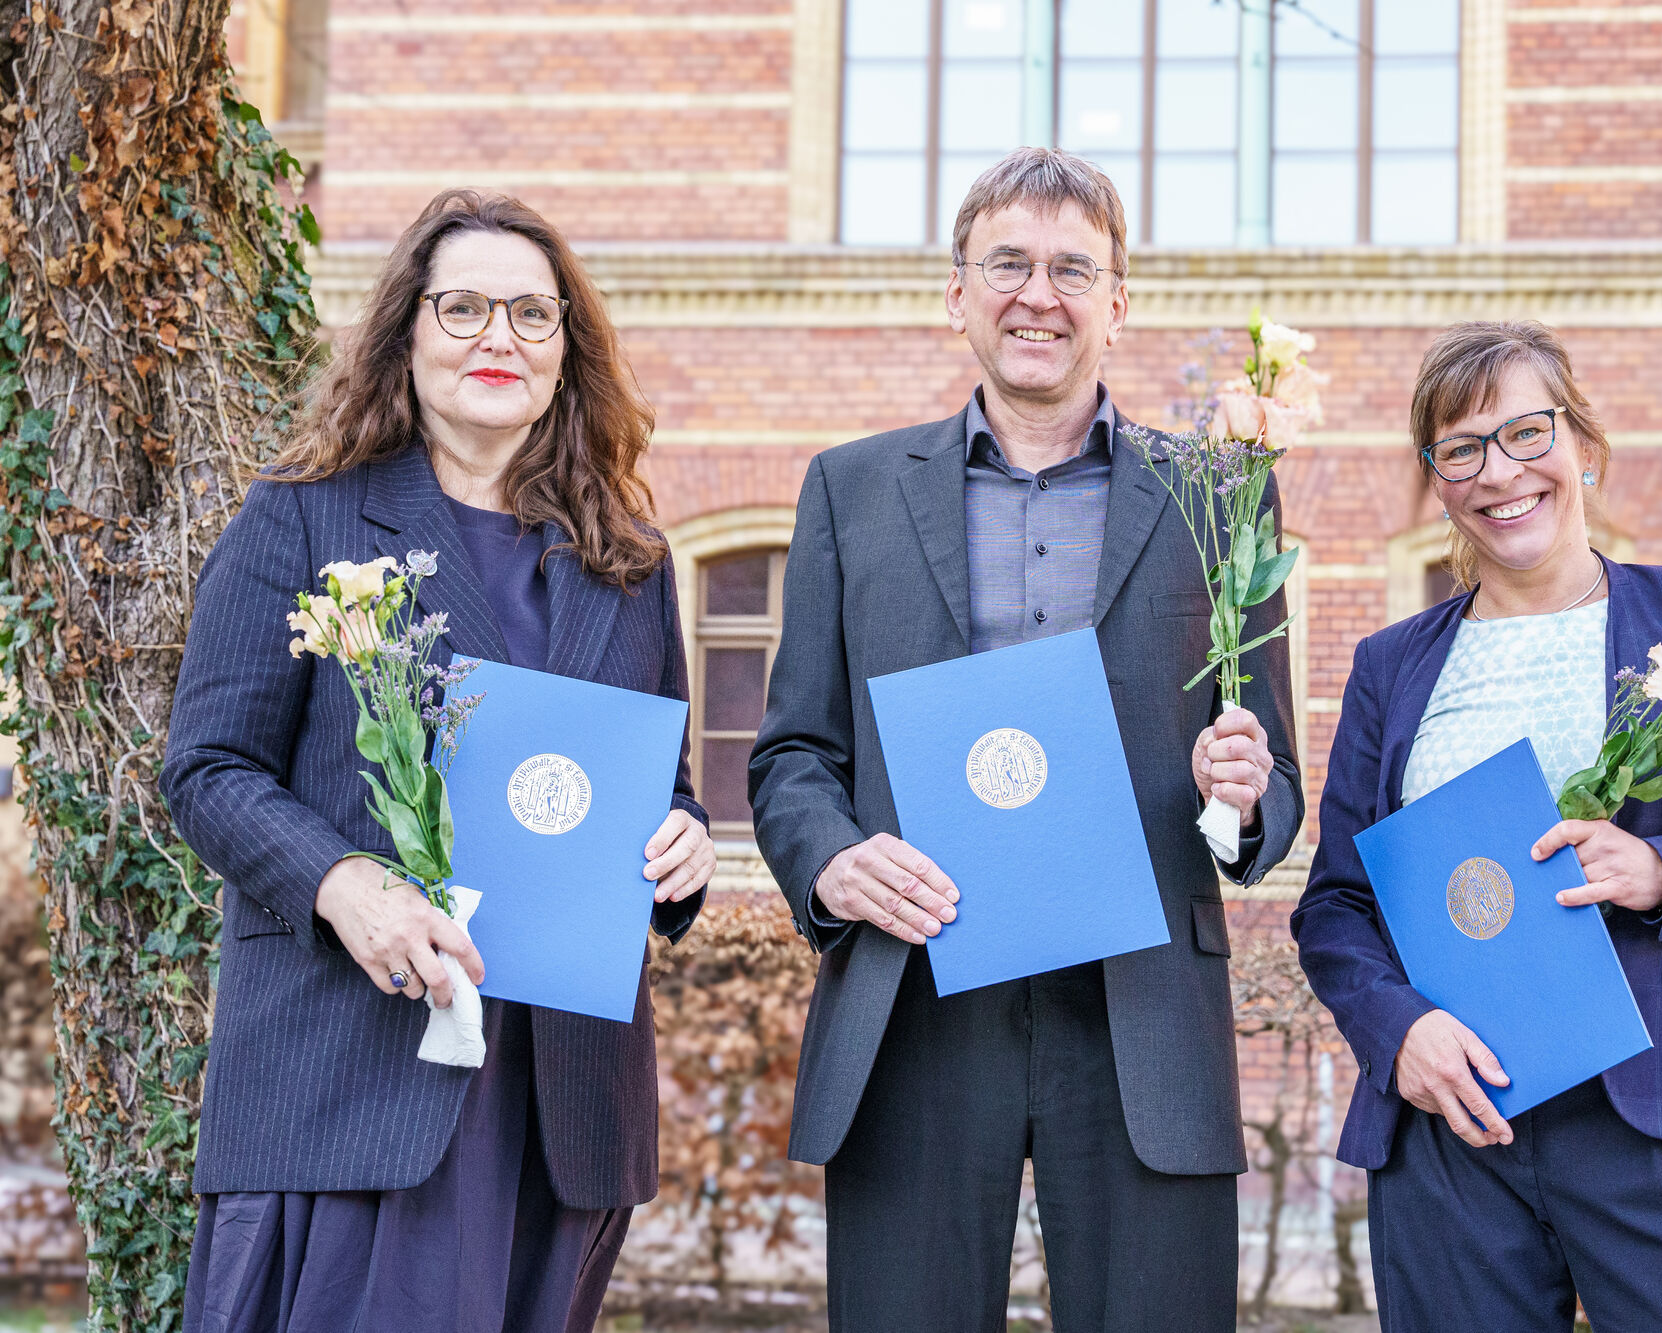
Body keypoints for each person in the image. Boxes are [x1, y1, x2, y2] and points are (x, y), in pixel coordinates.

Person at [748, 147, 1304, 1332]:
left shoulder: (1220, 497)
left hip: (1139, 1004)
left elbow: (1274, 782)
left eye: (1071, 268)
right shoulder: (847, 490)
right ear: (957, 292)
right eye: (1007, 262)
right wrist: (832, 860)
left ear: (1117, 302)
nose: (1036, 294)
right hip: (915, 993)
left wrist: (1244, 794)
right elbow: (794, 751)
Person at [162, 189, 716, 1333]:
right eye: (462, 308)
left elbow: (659, 789)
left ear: (568, 350)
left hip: (555, 1094)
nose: (497, 338)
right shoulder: (303, 521)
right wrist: (342, 885)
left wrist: (685, 845)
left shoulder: (629, 562)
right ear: (405, 334)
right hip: (351, 1078)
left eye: (530, 313)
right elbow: (209, 767)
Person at [1291, 320, 1662, 1331]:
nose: (1496, 471)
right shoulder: (1390, 665)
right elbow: (1335, 904)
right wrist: (1396, 1030)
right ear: (1435, 479)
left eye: (1524, 433)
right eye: (1458, 449)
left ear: (1582, 445)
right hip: (1450, 1131)